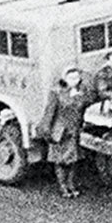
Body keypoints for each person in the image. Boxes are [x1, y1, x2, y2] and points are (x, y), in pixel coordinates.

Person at [41, 67, 86, 198]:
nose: (74, 81)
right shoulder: (56, 92)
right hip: (60, 131)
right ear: (64, 79)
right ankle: (63, 186)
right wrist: (46, 130)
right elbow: (49, 112)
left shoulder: (81, 92)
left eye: (77, 78)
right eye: (71, 78)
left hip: (74, 130)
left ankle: (71, 184)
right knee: (60, 160)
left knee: (73, 160)